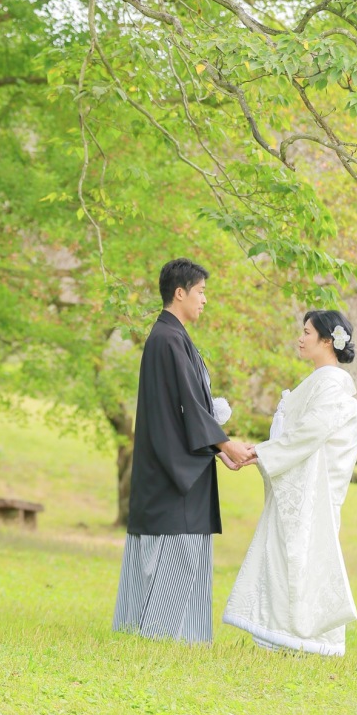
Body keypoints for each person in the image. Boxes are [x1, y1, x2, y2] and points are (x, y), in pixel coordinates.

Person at [112, 258, 254, 644]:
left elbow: (189, 407)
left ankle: (170, 635)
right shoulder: (168, 339)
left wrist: (220, 450)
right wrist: (225, 444)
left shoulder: (170, 337)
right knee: (176, 554)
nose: (205, 300)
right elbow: (190, 406)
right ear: (180, 292)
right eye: (201, 291)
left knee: (172, 554)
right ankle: (165, 635)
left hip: (173, 460)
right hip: (172, 470)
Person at [223, 309, 357, 656]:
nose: (300, 338)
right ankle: (280, 633)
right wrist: (261, 453)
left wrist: (261, 452)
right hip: (298, 483)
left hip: (311, 491)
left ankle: (302, 636)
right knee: (289, 556)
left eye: (306, 332)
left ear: (328, 342)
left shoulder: (330, 385)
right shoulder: (319, 381)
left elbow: (310, 433)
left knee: (302, 557)